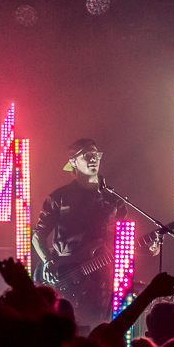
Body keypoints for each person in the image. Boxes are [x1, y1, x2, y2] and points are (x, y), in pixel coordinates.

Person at [32, 139, 127, 330]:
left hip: (99, 280)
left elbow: (122, 240)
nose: (94, 159)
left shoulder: (112, 199)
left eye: (96, 155)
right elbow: (38, 234)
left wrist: (150, 248)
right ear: (73, 162)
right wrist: (48, 261)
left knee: (95, 329)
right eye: (87, 155)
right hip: (63, 275)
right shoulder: (58, 197)